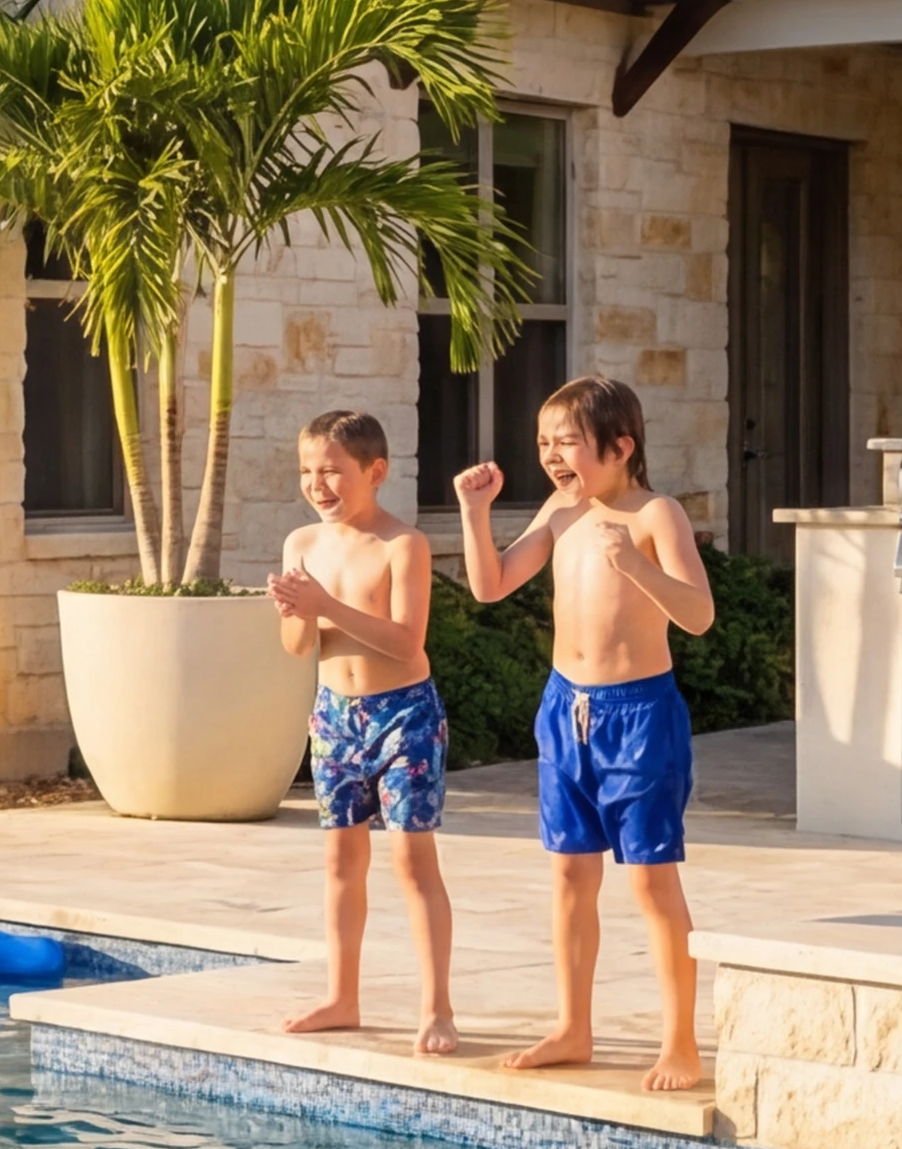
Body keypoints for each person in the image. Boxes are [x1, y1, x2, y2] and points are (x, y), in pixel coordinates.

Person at [456, 374, 719, 1096]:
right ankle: (573, 1026)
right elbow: (492, 585)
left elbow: (698, 614)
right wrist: (474, 513)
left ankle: (681, 1042)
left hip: (638, 718)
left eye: (565, 441)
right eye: (543, 442)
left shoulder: (654, 515)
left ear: (621, 445)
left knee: (650, 881)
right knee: (571, 876)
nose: (551, 456)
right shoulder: (561, 508)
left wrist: (635, 564)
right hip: (564, 710)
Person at [267, 408, 460, 1055]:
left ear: (374, 472)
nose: (318, 485)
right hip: (334, 716)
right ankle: (342, 996)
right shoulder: (302, 545)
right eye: (307, 472)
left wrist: (325, 608)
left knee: (411, 860)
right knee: (340, 862)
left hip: (403, 715)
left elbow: (407, 643)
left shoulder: (403, 545)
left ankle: (437, 1008)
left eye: (332, 472)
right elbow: (298, 647)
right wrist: (298, 612)